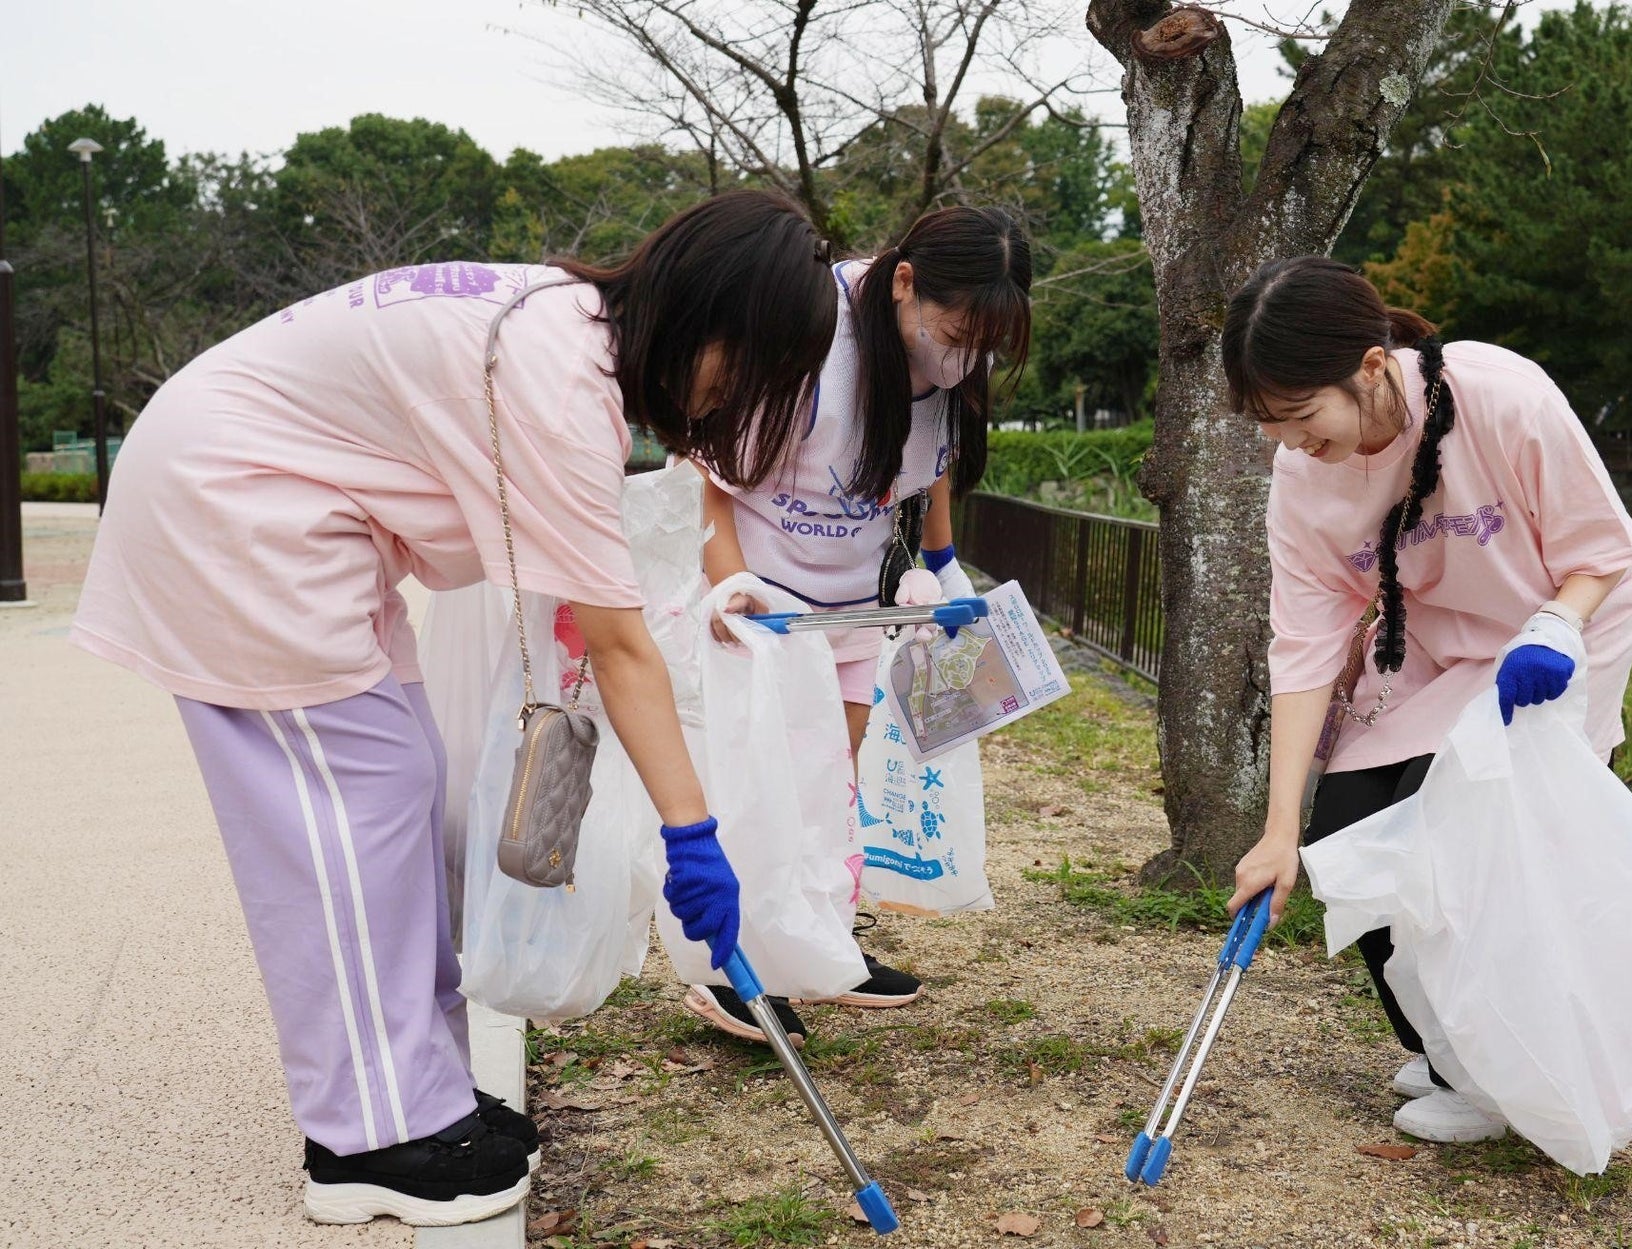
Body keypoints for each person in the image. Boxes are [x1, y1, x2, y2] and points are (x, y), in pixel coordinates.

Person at [69, 191, 838, 1227]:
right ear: (713, 320)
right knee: (344, 822)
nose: (739, 402)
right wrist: (691, 835)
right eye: (752, 372)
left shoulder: (569, 327)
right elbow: (621, 648)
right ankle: (364, 1138)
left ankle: (420, 1090)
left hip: (302, 512)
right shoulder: (561, 382)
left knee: (401, 785)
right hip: (235, 502)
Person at [1220, 257, 1632, 1144]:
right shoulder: (1302, 474)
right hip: (1431, 645)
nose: (1293, 444)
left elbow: (1604, 550)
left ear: (1372, 368)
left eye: (1303, 416)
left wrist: (1555, 628)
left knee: (1460, 835)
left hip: (1556, 633)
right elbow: (1304, 647)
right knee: (1348, 831)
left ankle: (1502, 1077)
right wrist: (1278, 828)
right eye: (1273, 426)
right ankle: (1449, 1049)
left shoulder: (1503, 397)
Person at [686, 205, 1032, 1044]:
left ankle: (819, 947)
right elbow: (708, 475)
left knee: (829, 793)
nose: (965, 359)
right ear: (904, 283)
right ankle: (730, 971)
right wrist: (729, 584)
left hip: (855, 610)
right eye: (958, 334)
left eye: (984, 345)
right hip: (767, 613)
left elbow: (929, 463)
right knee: (761, 796)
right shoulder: (810, 336)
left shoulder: (945, 369)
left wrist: (944, 563)